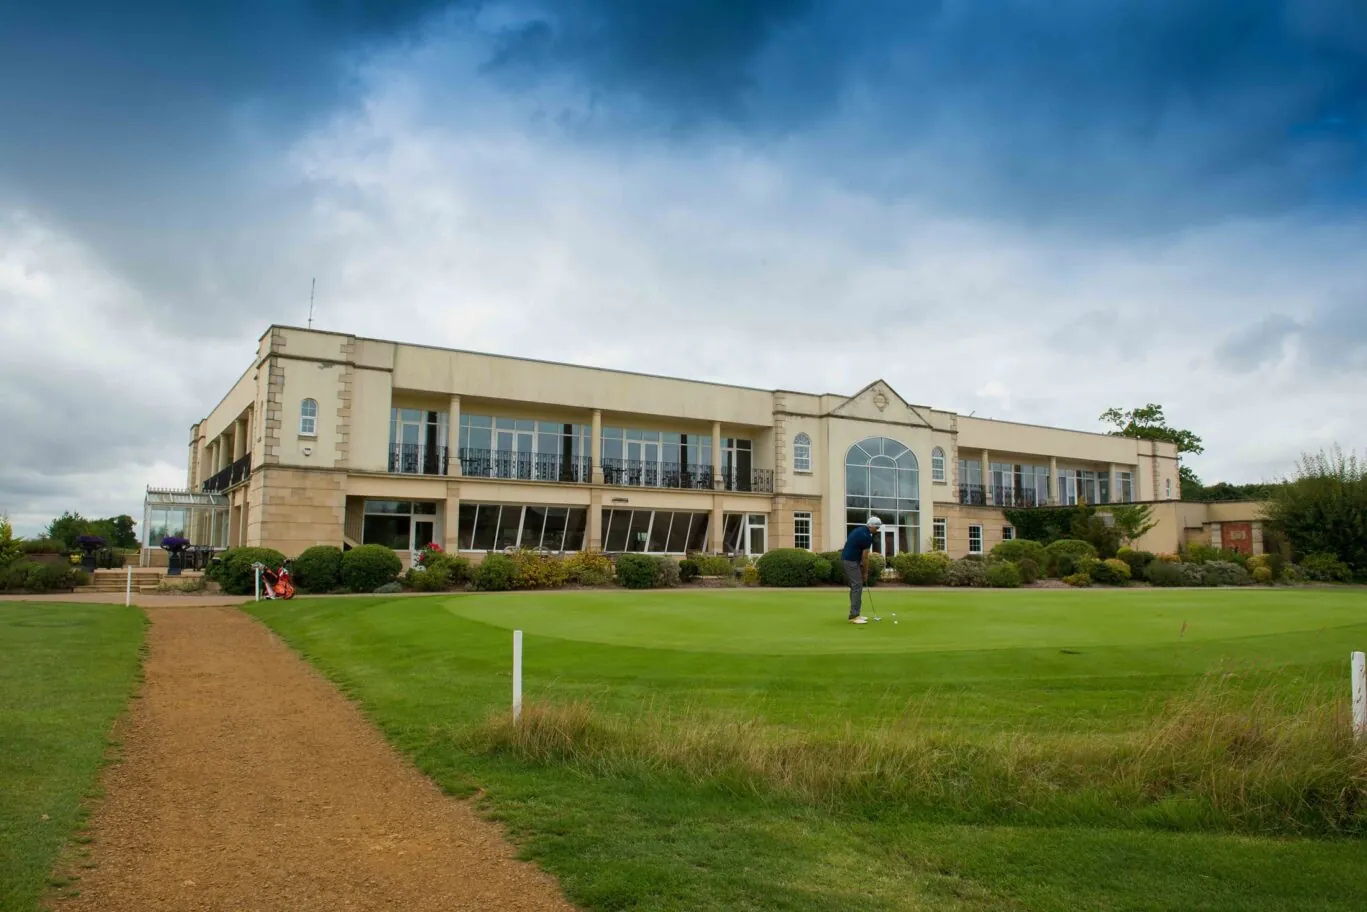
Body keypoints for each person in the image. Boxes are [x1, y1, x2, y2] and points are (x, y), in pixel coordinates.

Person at [840, 516, 882, 624]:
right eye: (877, 528)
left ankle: (856, 613)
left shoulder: (859, 530)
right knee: (857, 586)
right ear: (871, 526)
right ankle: (854, 616)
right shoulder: (866, 537)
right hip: (851, 561)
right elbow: (865, 557)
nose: (877, 530)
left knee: (855, 587)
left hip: (848, 560)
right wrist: (865, 573)